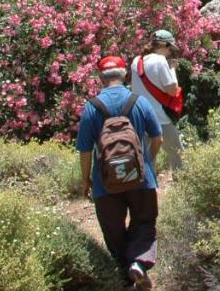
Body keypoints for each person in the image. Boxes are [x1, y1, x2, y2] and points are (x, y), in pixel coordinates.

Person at [76, 55, 163, 291]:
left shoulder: (91, 107)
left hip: (106, 183)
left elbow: (84, 150)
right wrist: (148, 162)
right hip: (141, 179)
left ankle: (126, 278)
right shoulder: (139, 101)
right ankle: (139, 262)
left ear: (100, 78)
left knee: (113, 231)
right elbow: (157, 137)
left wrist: (86, 179)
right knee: (144, 221)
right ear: (125, 75)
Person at [130, 29, 184, 172]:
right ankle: (181, 183)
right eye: (170, 49)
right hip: (159, 117)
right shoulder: (160, 61)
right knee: (176, 152)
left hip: (140, 115)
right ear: (164, 46)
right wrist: (172, 69)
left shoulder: (136, 61)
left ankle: (149, 187)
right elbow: (172, 89)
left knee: (147, 155)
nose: (170, 52)